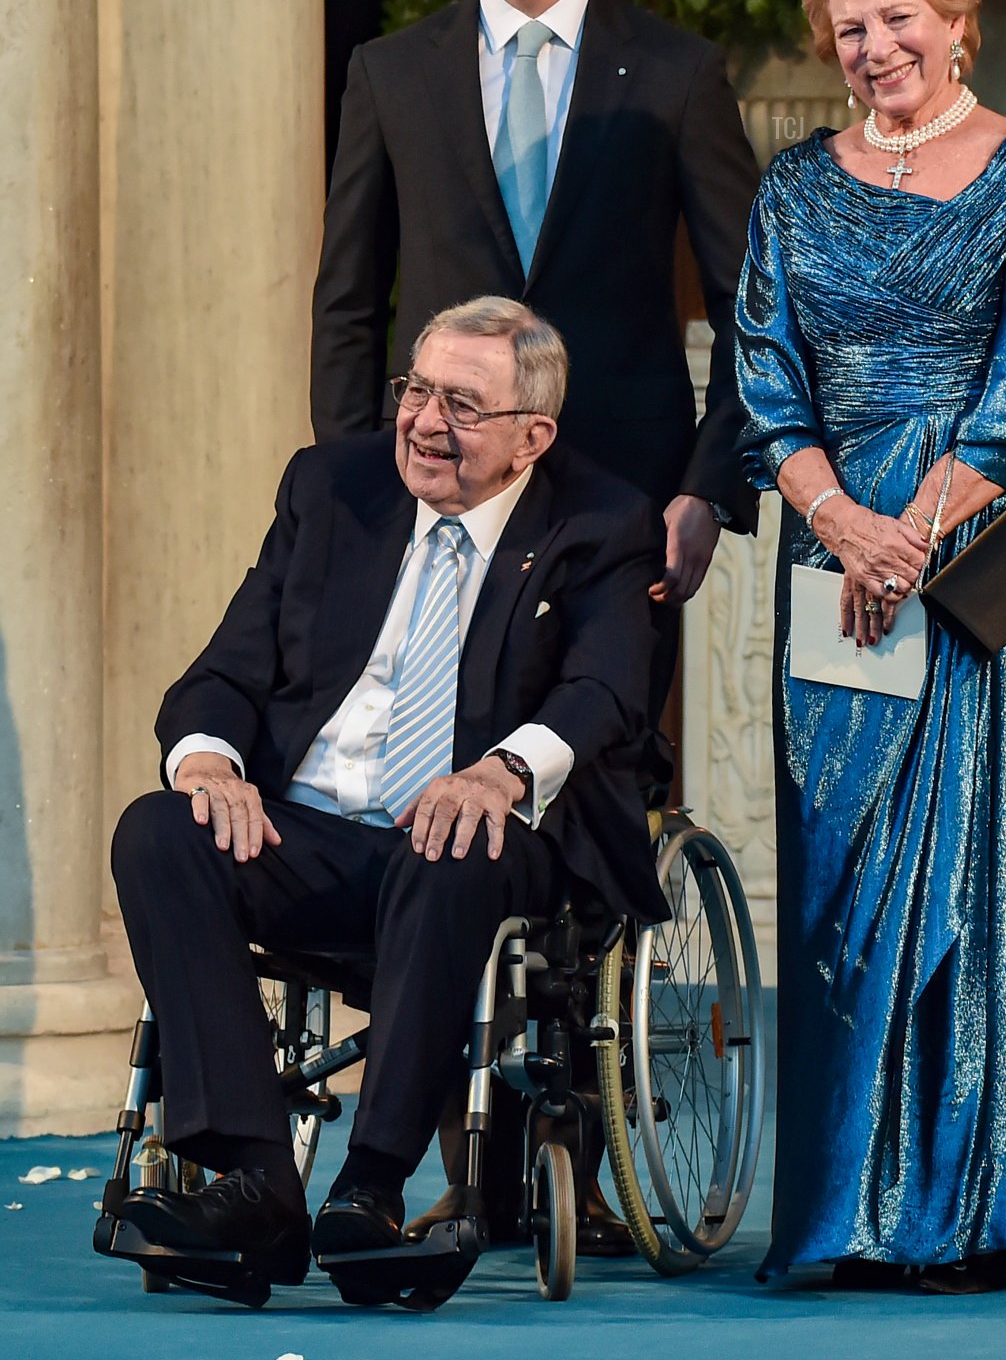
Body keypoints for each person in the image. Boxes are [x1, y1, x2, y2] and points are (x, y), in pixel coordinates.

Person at [110, 297, 668, 1303]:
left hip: (475, 838)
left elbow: (606, 687)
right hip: (308, 831)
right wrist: (209, 765)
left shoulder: (601, 520)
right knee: (159, 831)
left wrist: (500, 771)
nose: (423, 421)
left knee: (453, 840)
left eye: (463, 404)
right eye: (417, 389)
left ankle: (368, 1189)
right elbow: (226, 669)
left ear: (532, 436)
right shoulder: (334, 487)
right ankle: (256, 1185)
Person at [735, 0, 1006, 1293]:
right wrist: (843, 523)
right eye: (850, 25)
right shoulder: (792, 187)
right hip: (837, 558)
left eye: (899, 16)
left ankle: (995, 1206)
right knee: (843, 872)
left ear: (958, 20)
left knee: (992, 870)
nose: (876, 44)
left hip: (991, 553)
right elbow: (764, 379)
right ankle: (850, 1209)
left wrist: (912, 533)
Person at [310, 0, 760, 640]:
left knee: (606, 725)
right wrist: (357, 485)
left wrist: (708, 489)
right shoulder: (390, 74)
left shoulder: (677, 74)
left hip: (627, 498)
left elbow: (751, 305)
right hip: (434, 489)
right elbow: (347, 304)